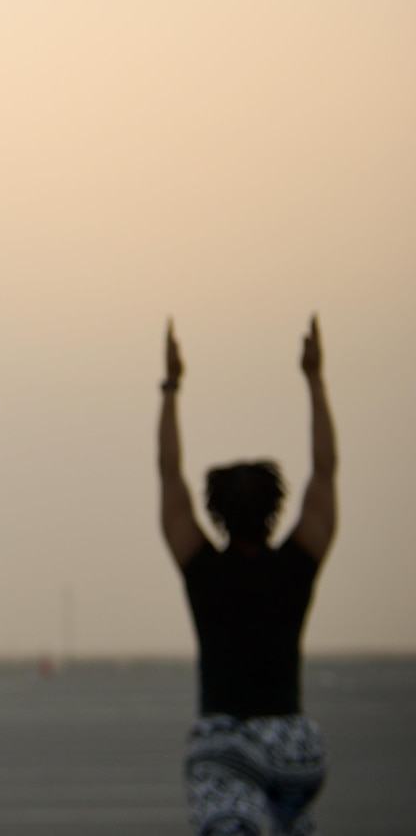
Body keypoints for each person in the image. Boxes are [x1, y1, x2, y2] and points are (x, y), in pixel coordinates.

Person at [158, 317, 338, 836]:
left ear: (214, 514)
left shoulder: (202, 567)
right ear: (277, 510)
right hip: (296, 751)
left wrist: (171, 387)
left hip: (229, 746)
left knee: (218, 782)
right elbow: (325, 473)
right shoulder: (298, 561)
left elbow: (168, 476)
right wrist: (314, 379)